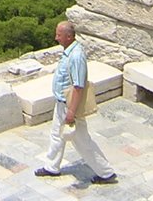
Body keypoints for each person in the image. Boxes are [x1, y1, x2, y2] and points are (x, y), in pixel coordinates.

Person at [34, 21, 117, 184]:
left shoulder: (76, 56)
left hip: (69, 105)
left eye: (59, 35)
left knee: (81, 141)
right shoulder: (68, 52)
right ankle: (52, 166)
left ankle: (106, 172)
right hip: (61, 103)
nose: (55, 38)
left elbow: (78, 86)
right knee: (57, 135)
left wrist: (71, 112)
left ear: (69, 37)